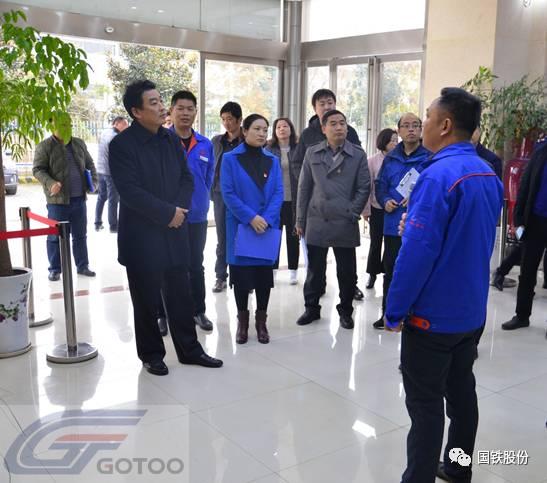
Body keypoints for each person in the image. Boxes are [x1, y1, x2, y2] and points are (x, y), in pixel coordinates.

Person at [384, 87, 503, 483]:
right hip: (471, 312)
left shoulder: (436, 176)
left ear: (446, 125)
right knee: (462, 394)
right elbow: (465, 235)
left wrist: (395, 310)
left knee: (426, 406)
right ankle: (457, 468)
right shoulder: (487, 173)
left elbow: (416, 255)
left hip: (432, 317)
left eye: (429, 117)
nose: (424, 123)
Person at [109, 79, 222, 376]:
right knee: (146, 301)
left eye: (161, 101)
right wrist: (167, 213)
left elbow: (186, 178)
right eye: (154, 103)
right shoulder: (122, 145)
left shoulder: (170, 140)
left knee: (180, 295)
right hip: (142, 236)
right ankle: (151, 354)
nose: (162, 107)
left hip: (174, 231)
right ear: (136, 111)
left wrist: (178, 211)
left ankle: (190, 350)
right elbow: (129, 191)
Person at [295, 110, 370, 330]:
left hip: (344, 220)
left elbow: (364, 186)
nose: (339, 127)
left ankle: (345, 311)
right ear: (324, 128)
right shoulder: (312, 152)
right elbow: (304, 187)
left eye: (342, 123)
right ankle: (311, 308)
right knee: (314, 271)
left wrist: (353, 212)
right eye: (334, 123)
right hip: (317, 218)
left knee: (347, 272)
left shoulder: (357, 154)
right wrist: (300, 220)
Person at [220, 114, 283, 344]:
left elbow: (278, 192)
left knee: (264, 277)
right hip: (241, 226)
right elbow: (228, 193)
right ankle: (243, 322)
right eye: (256, 128)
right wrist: (251, 217)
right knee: (241, 277)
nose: (262, 133)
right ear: (244, 130)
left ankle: (261, 322)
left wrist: (265, 218)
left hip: (266, 226)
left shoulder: (272, 160)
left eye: (265, 129)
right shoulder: (230, 159)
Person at [372, 113, 430, 329]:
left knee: (417, 270)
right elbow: (380, 186)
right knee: (391, 271)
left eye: (415, 125)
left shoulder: (429, 158)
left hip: (418, 224)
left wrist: (416, 197)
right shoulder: (391, 158)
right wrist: (385, 200)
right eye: (406, 126)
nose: (411, 129)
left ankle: (414, 315)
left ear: (421, 130)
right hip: (393, 224)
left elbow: (432, 188)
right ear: (399, 131)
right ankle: (388, 314)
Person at [167, 90, 216, 331]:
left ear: (196, 112)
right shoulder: (162, 141)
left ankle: (198, 311)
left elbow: (209, 177)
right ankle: (164, 314)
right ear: (171, 111)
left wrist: (202, 199)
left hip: (196, 215)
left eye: (190, 109)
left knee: (196, 264)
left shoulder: (205, 144)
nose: (185, 113)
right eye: (180, 108)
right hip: (168, 215)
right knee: (167, 265)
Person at [33, 111, 98, 281]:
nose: (67, 127)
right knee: (55, 237)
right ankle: (55, 269)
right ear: (52, 126)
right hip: (58, 202)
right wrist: (50, 183)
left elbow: (90, 164)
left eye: (69, 124)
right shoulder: (45, 146)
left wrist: (94, 182)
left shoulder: (78, 143)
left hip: (79, 200)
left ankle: (82, 266)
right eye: (63, 124)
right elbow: (38, 169)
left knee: (80, 236)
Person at [502, 142, 547, 331]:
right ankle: (521, 316)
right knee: (527, 272)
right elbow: (525, 183)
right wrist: (519, 216)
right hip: (535, 220)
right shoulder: (541, 151)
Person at [211, 102, 244, 293]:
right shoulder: (216, 141)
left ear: (239, 120)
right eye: (223, 119)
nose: (226, 123)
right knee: (222, 236)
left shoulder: (247, 141)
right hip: (220, 194)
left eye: (230, 119)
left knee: (241, 235)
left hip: (242, 196)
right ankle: (220, 276)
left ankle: (242, 277)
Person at [362, 128, 398, 289]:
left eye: (397, 140)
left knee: (391, 244)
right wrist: (366, 210)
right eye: (392, 141)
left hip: (395, 209)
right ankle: (372, 274)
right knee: (375, 243)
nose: (395, 143)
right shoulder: (372, 161)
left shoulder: (398, 160)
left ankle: (388, 273)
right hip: (377, 208)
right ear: (384, 142)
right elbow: (367, 186)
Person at [266, 117, 300, 284]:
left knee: (293, 237)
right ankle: (272, 269)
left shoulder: (298, 149)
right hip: (275, 201)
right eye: (278, 127)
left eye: (285, 126)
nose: (282, 129)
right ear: (274, 131)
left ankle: (293, 270)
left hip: (294, 200)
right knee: (274, 236)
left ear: (291, 129)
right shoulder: (268, 149)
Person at [94, 116, 128, 233]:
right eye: (124, 124)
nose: (126, 127)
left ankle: (97, 222)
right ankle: (113, 226)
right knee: (113, 199)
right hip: (110, 172)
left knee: (102, 197)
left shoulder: (104, 133)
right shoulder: (115, 137)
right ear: (117, 123)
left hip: (100, 169)